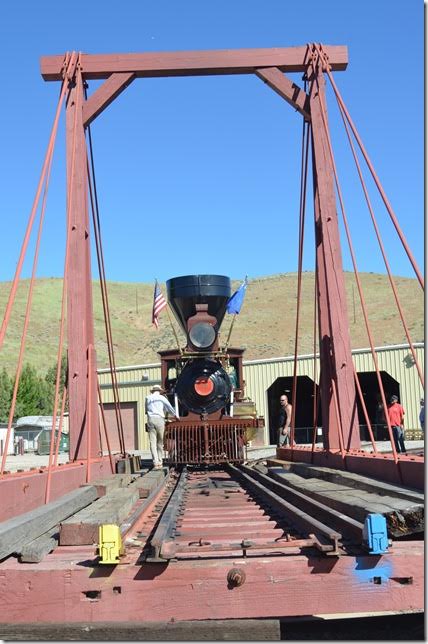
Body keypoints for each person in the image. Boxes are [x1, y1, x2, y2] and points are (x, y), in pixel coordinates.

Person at [145, 384, 179, 469]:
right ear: (159, 391)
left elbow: (146, 411)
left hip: (150, 419)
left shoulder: (147, 398)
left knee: (152, 442)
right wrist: (176, 416)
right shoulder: (162, 398)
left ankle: (155, 462)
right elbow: (169, 408)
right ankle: (160, 462)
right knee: (160, 442)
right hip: (159, 419)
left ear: (152, 391)